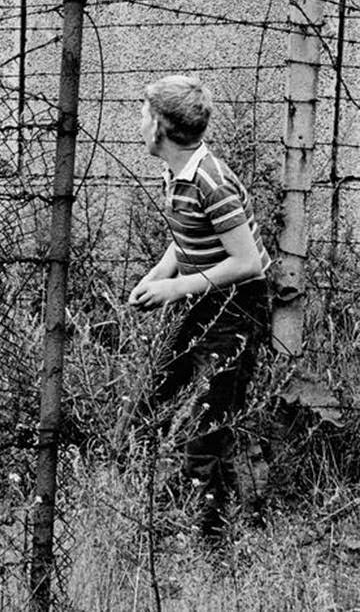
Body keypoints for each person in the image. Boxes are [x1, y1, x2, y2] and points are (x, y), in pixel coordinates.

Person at [128, 74, 270, 543]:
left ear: (161, 127)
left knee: (208, 422)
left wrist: (178, 288)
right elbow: (187, 237)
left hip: (235, 308)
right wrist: (158, 278)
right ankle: (157, 510)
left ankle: (212, 541)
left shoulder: (211, 182)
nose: (139, 122)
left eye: (145, 113)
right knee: (155, 399)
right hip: (202, 299)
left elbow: (247, 262)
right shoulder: (177, 172)